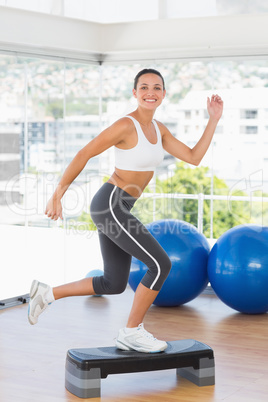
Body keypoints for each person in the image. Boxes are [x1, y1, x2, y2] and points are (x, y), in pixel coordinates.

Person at [28, 68, 223, 353]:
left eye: (157, 88)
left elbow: (193, 158)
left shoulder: (160, 130)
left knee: (114, 282)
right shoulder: (125, 125)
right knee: (160, 265)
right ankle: (131, 332)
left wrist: (213, 120)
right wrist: (58, 193)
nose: (150, 92)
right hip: (109, 204)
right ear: (135, 93)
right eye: (144, 87)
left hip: (119, 206)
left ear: (164, 94)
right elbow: (85, 153)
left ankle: (47, 293)